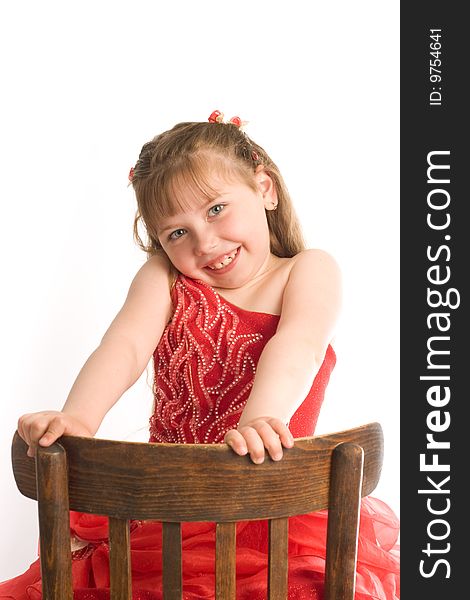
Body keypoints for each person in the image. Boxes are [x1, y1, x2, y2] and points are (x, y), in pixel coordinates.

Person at [0, 110, 399, 599]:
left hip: (269, 512)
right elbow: (122, 348)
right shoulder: (166, 279)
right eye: (176, 233)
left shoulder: (306, 272)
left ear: (265, 189)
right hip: (168, 509)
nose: (205, 243)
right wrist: (78, 418)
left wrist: (261, 420)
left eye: (215, 209)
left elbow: (297, 346)